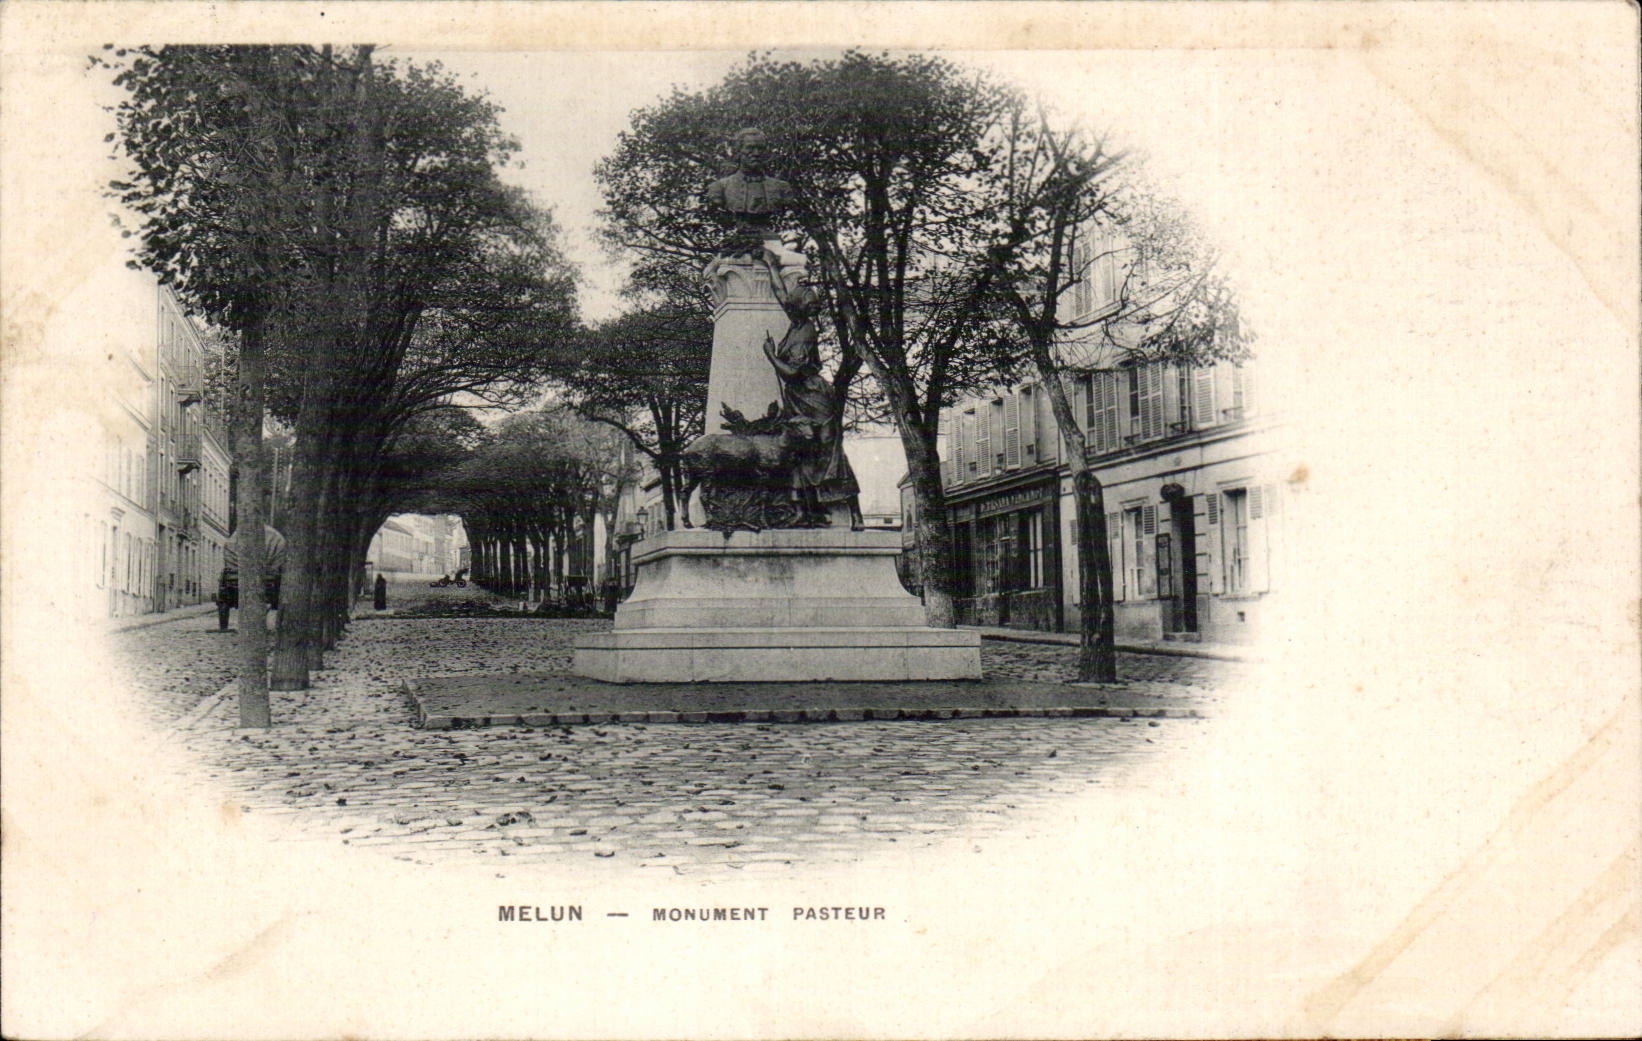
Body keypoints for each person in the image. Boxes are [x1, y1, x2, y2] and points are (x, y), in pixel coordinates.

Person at [760, 254, 864, 530]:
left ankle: (854, 514)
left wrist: (770, 355)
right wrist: (770, 265)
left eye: (791, 304)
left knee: (828, 454)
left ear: (797, 309)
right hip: (798, 400)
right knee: (804, 455)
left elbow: (792, 373)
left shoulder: (805, 332)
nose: (786, 304)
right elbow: (781, 293)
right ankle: (810, 512)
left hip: (814, 399)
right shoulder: (795, 322)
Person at [704, 127, 801, 267]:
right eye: (749, 148)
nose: (755, 153)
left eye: (760, 149)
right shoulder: (720, 187)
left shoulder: (781, 187)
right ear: (738, 151)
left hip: (770, 241)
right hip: (739, 244)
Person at [216, 523, 287, 631]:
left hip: (236, 582)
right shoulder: (275, 539)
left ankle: (223, 627)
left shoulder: (233, 542)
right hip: (269, 582)